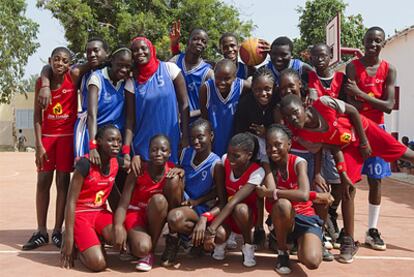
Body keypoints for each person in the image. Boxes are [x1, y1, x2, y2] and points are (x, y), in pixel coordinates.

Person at [279, 94, 414, 263]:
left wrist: (364, 142)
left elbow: (353, 112)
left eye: (295, 112)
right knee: (347, 188)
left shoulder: (324, 103)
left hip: (364, 131)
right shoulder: (304, 134)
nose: (292, 118)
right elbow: (330, 147)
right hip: (346, 148)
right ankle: (349, 241)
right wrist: (320, 174)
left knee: (407, 154)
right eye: (288, 116)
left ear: (304, 106)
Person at [345, 27, 397, 251]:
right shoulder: (352, 66)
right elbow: (351, 105)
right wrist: (369, 101)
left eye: (377, 41)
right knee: (350, 180)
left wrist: (363, 95)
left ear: (383, 43)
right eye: (369, 40)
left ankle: (372, 229)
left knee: (376, 180)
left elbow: (388, 106)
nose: (372, 44)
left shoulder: (389, 69)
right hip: (356, 129)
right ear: (363, 41)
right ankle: (346, 232)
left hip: (378, 130)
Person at [23, 47, 80, 251]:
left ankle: (57, 230)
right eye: (56, 59)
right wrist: (38, 145)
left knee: (63, 183)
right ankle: (41, 231)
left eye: (65, 61)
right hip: (47, 139)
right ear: (50, 60)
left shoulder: (73, 77)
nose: (60, 64)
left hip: (66, 139)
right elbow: (37, 116)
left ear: (69, 63)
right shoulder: (41, 82)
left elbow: (89, 65)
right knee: (42, 182)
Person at [256, 124, 333, 274]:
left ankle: (306, 241)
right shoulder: (267, 166)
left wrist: (273, 192)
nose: (273, 149)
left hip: (305, 216)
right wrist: (313, 195)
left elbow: (302, 194)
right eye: (269, 146)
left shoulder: (299, 162)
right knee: (282, 204)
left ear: (289, 144)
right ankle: (283, 252)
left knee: (312, 262)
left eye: (278, 144)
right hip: (284, 219)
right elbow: (272, 199)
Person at [113, 135, 184, 271]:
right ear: (148, 152)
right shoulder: (138, 169)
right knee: (142, 248)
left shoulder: (172, 171)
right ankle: (139, 245)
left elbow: (178, 199)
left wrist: (182, 173)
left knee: (159, 200)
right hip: (136, 213)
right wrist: (118, 226)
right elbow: (123, 204)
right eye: (154, 150)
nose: (158, 153)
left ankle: (151, 251)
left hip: (156, 216)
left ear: (169, 153)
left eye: (163, 150)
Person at [161, 119, 225, 266]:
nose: (196, 141)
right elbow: (175, 181)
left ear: (211, 136)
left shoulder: (216, 164)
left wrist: (204, 217)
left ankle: (195, 240)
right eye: (192, 138)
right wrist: (179, 170)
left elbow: (222, 201)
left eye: (200, 137)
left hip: (201, 208)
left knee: (175, 218)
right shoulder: (184, 153)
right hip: (183, 202)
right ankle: (175, 238)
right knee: (173, 178)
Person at [61, 125, 122, 271]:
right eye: (111, 140)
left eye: (119, 141)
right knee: (98, 264)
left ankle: (96, 238)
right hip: (80, 215)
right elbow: (70, 202)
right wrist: (69, 238)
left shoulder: (116, 163)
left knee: (122, 237)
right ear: (99, 141)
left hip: (100, 213)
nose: (116, 144)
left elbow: (115, 196)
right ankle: (76, 242)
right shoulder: (84, 164)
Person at [124, 37, 189, 165]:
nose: (140, 52)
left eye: (143, 48)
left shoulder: (170, 69)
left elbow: (184, 104)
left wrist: (185, 135)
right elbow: (130, 120)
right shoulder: (132, 82)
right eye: (135, 50)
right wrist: (126, 151)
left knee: (172, 180)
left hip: (171, 140)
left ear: (151, 49)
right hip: (144, 146)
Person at [203, 133, 265, 267]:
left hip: (246, 216)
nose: (231, 159)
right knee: (218, 236)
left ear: (249, 155)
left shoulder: (257, 172)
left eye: (236, 156)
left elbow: (234, 201)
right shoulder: (224, 160)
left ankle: (248, 245)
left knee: (240, 208)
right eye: (229, 153)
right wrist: (212, 228)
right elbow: (224, 199)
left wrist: (211, 230)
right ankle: (223, 240)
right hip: (227, 213)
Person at [74, 47, 132, 162]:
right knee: (87, 170)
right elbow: (92, 115)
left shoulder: (127, 81)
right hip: (93, 132)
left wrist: (126, 150)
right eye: (120, 65)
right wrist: (93, 146)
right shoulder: (97, 78)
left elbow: (130, 118)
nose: (124, 69)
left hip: (115, 137)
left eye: (127, 66)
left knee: (116, 173)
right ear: (111, 61)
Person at [200, 59, 250, 157]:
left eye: (227, 78)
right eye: (218, 77)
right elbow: (204, 118)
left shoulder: (243, 86)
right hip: (215, 141)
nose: (222, 82)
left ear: (235, 77)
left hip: (234, 138)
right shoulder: (206, 89)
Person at [233, 67, 277, 160]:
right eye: (258, 89)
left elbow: (283, 131)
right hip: (251, 150)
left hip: (274, 149)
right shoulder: (245, 104)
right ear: (252, 88)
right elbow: (239, 132)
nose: (263, 93)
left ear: (274, 88)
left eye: (267, 89)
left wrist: (267, 133)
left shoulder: (277, 102)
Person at [170, 28, 214, 120]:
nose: (199, 42)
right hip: (173, 120)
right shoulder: (175, 61)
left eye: (203, 41)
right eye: (195, 39)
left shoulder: (208, 72)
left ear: (205, 46)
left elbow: (212, 105)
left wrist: (188, 114)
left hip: (195, 124)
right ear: (188, 42)